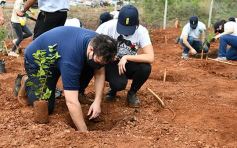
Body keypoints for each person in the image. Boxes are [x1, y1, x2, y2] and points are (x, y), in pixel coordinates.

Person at [16, 26, 117, 131]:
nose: (99, 65)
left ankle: (79, 92)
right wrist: (84, 132)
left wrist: (97, 101)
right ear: (91, 49)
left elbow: (100, 73)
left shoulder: (101, 44)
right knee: (45, 107)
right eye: (98, 61)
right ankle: (27, 80)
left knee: (91, 65)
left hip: (61, 55)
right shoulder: (71, 59)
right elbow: (71, 102)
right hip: (39, 61)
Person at [79, 5, 154, 108]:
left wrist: (126, 57)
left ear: (137, 24)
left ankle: (132, 93)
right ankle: (108, 90)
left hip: (127, 63)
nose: (125, 32)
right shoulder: (107, 27)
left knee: (145, 67)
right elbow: (93, 48)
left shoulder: (142, 31)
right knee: (118, 84)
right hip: (109, 62)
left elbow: (150, 57)